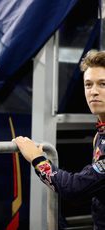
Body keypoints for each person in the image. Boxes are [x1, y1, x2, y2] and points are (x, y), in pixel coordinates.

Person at [13, 50, 105, 230]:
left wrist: (37, 159)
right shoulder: (100, 132)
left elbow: (74, 188)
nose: (93, 92)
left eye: (103, 84)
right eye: (88, 84)